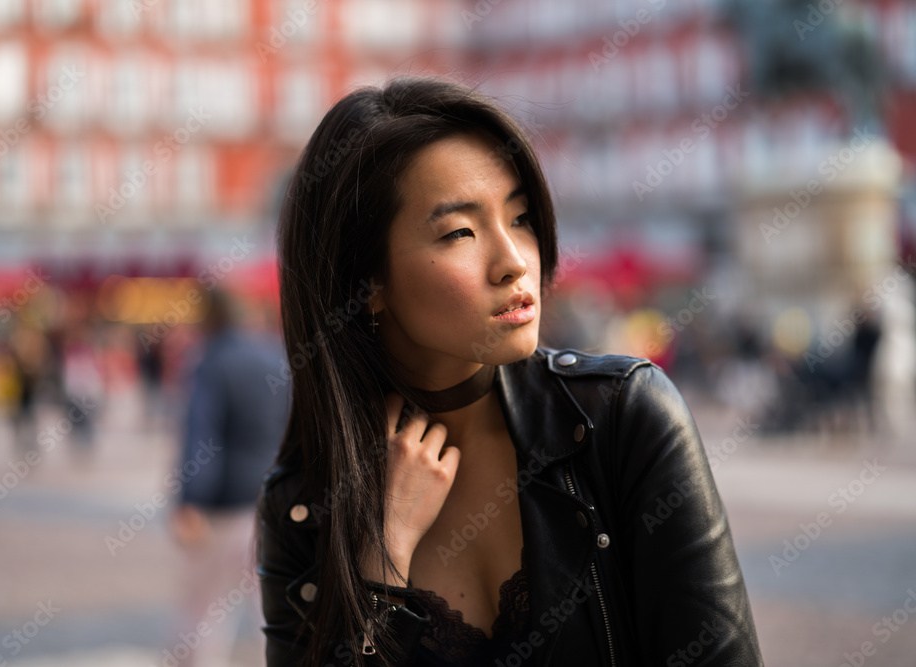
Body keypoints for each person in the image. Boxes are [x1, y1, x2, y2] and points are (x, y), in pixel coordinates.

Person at [255, 77, 763, 667]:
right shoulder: (303, 505)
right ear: (367, 284)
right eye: (460, 232)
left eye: (520, 217)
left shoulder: (622, 417)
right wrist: (380, 565)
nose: (514, 261)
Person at [170, 288, 290, 667]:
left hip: (225, 505)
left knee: (204, 614)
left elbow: (201, 433)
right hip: (273, 497)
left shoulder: (213, 361)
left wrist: (191, 498)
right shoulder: (276, 357)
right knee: (270, 612)